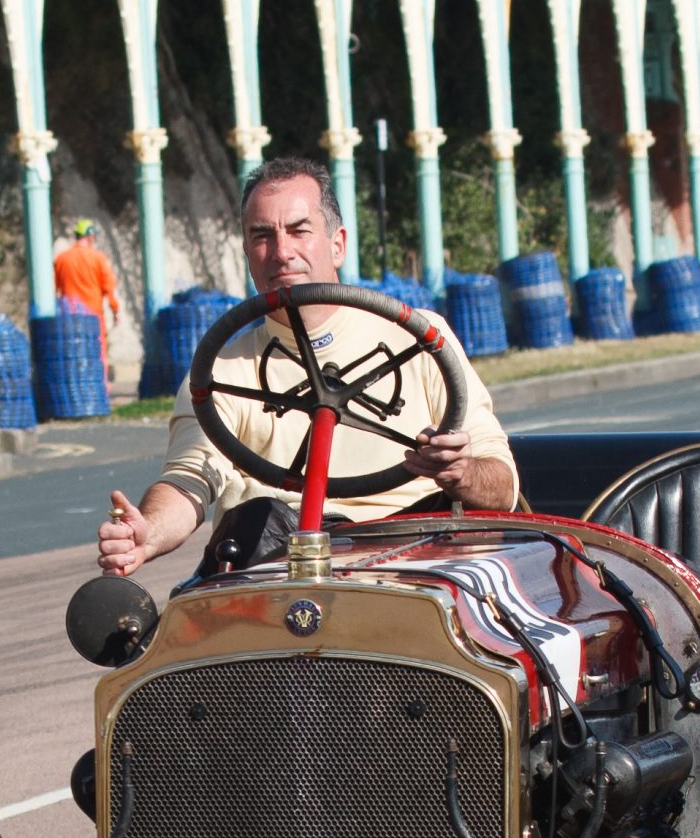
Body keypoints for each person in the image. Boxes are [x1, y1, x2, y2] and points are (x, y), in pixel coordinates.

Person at [96, 158, 516, 577]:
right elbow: (190, 479)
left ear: (338, 244)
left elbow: (503, 487)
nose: (282, 253)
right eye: (262, 236)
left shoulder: (422, 338)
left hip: (413, 555)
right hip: (279, 561)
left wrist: (461, 472)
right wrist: (147, 533)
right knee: (248, 526)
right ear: (247, 253)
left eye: (299, 230)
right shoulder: (219, 372)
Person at [52, 218, 120, 367]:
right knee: (96, 355)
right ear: (90, 236)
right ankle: (99, 386)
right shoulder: (98, 258)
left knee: (73, 355)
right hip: (93, 317)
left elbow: (53, 289)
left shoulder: (61, 259)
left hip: (69, 317)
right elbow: (110, 288)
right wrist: (115, 310)